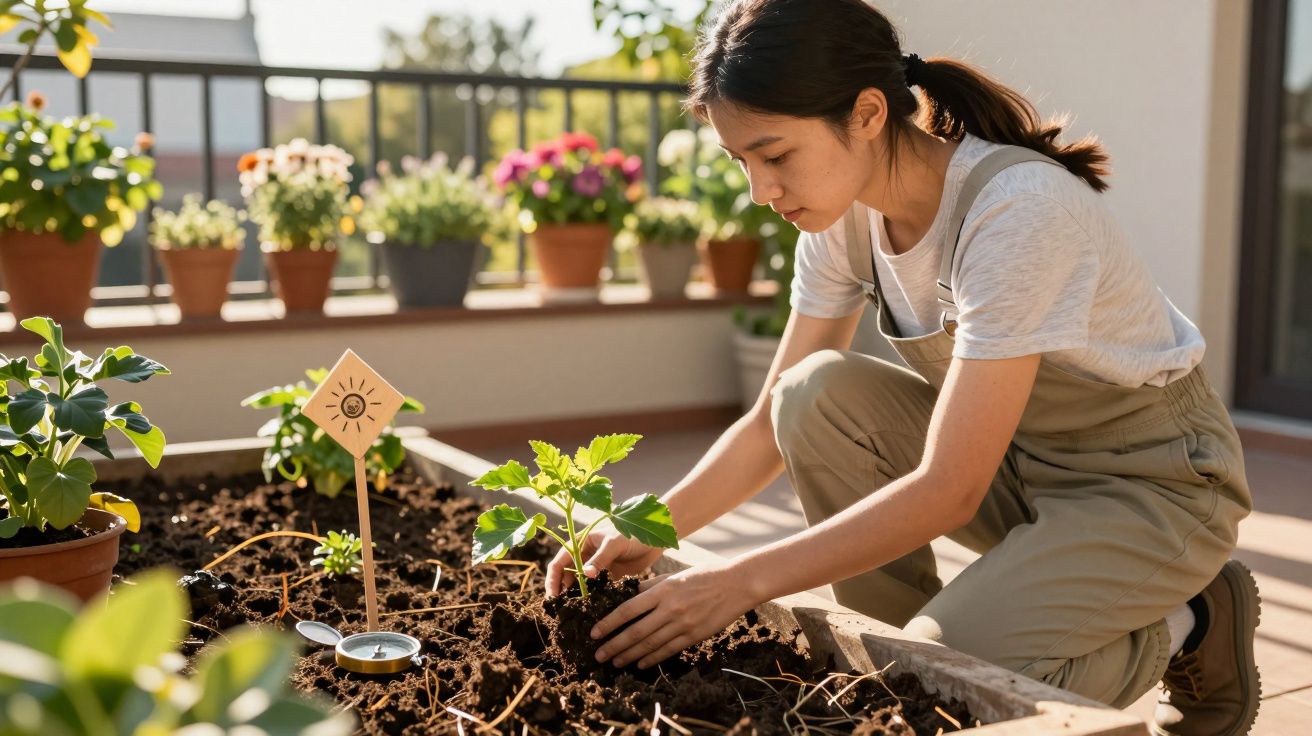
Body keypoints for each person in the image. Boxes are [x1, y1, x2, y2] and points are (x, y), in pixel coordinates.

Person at [543, 1, 1259, 733]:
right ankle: (895, 676)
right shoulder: (843, 214)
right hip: (1022, 466)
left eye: (776, 154)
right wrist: (650, 528)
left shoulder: (1016, 213)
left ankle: (1192, 619)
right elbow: (768, 423)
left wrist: (739, 581)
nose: (761, 192)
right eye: (742, 162)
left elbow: (950, 489)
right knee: (809, 396)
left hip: (1152, 487)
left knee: (957, 686)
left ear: (866, 114)